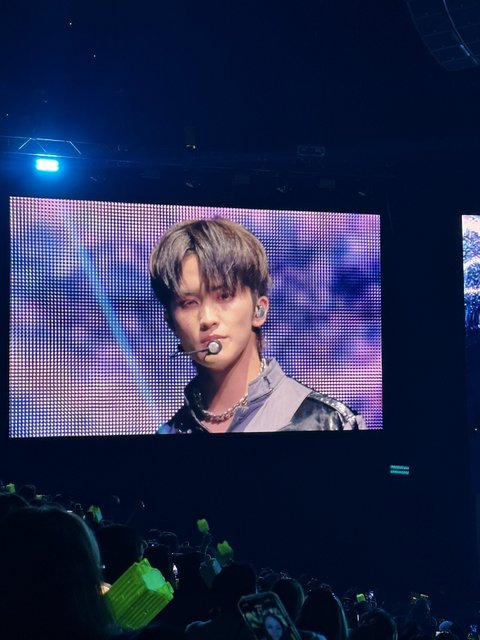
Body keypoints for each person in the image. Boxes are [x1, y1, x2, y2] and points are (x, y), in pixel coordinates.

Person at [149, 217, 365, 434]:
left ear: (258, 310)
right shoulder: (168, 432)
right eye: (188, 303)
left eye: (224, 296)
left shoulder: (332, 423)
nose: (207, 318)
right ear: (171, 323)